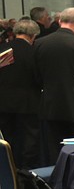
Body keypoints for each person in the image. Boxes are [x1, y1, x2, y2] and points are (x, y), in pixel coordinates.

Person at [33, 7, 74, 160]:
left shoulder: (39, 44)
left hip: (50, 107)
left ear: (60, 21)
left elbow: (36, 77)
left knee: (54, 155)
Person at [0, 18, 42, 168]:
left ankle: (7, 169)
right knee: (29, 142)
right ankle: (26, 173)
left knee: (7, 139)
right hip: (29, 103)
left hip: (3, 103)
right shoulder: (34, 52)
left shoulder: (2, 49)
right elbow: (39, 78)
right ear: (33, 36)